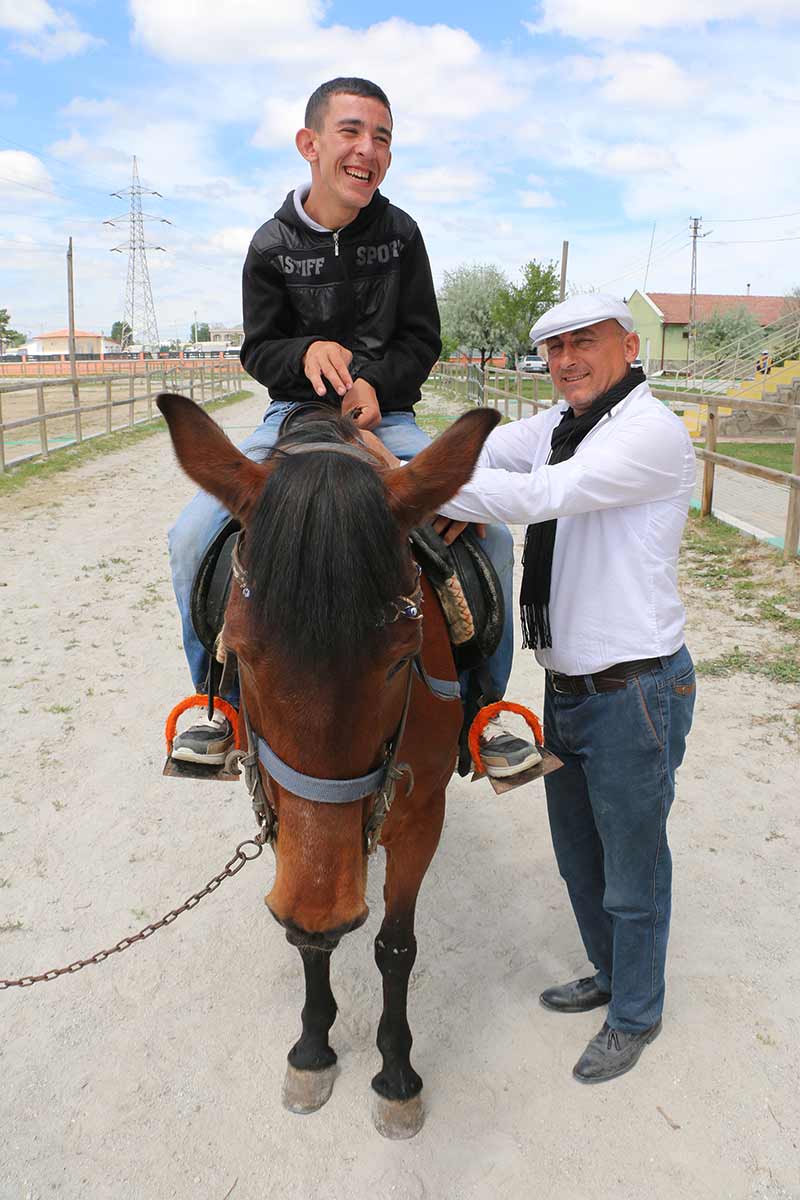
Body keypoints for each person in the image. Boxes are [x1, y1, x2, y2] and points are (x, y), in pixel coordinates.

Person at [167, 76, 535, 777]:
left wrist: (376, 383)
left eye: (383, 137)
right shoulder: (269, 244)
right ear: (310, 144)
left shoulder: (402, 236)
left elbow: (421, 339)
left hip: (388, 418)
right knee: (189, 536)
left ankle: (487, 711)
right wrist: (304, 353)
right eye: (352, 131)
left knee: (491, 537)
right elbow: (258, 348)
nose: (369, 149)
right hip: (290, 418)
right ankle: (219, 705)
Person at [436, 293, 697, 1083]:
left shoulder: (649, 432)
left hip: (634, 692)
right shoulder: (560, 426)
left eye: (584, 343)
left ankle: (636, 1014)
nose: (565, 361)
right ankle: (612, 975)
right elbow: (487, 454)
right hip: (570, 689)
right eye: (552, 349)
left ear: (628, 343)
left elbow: (545, 495)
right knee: (579, 859)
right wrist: (426, 467)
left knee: (632, 868)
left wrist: (418, 492)